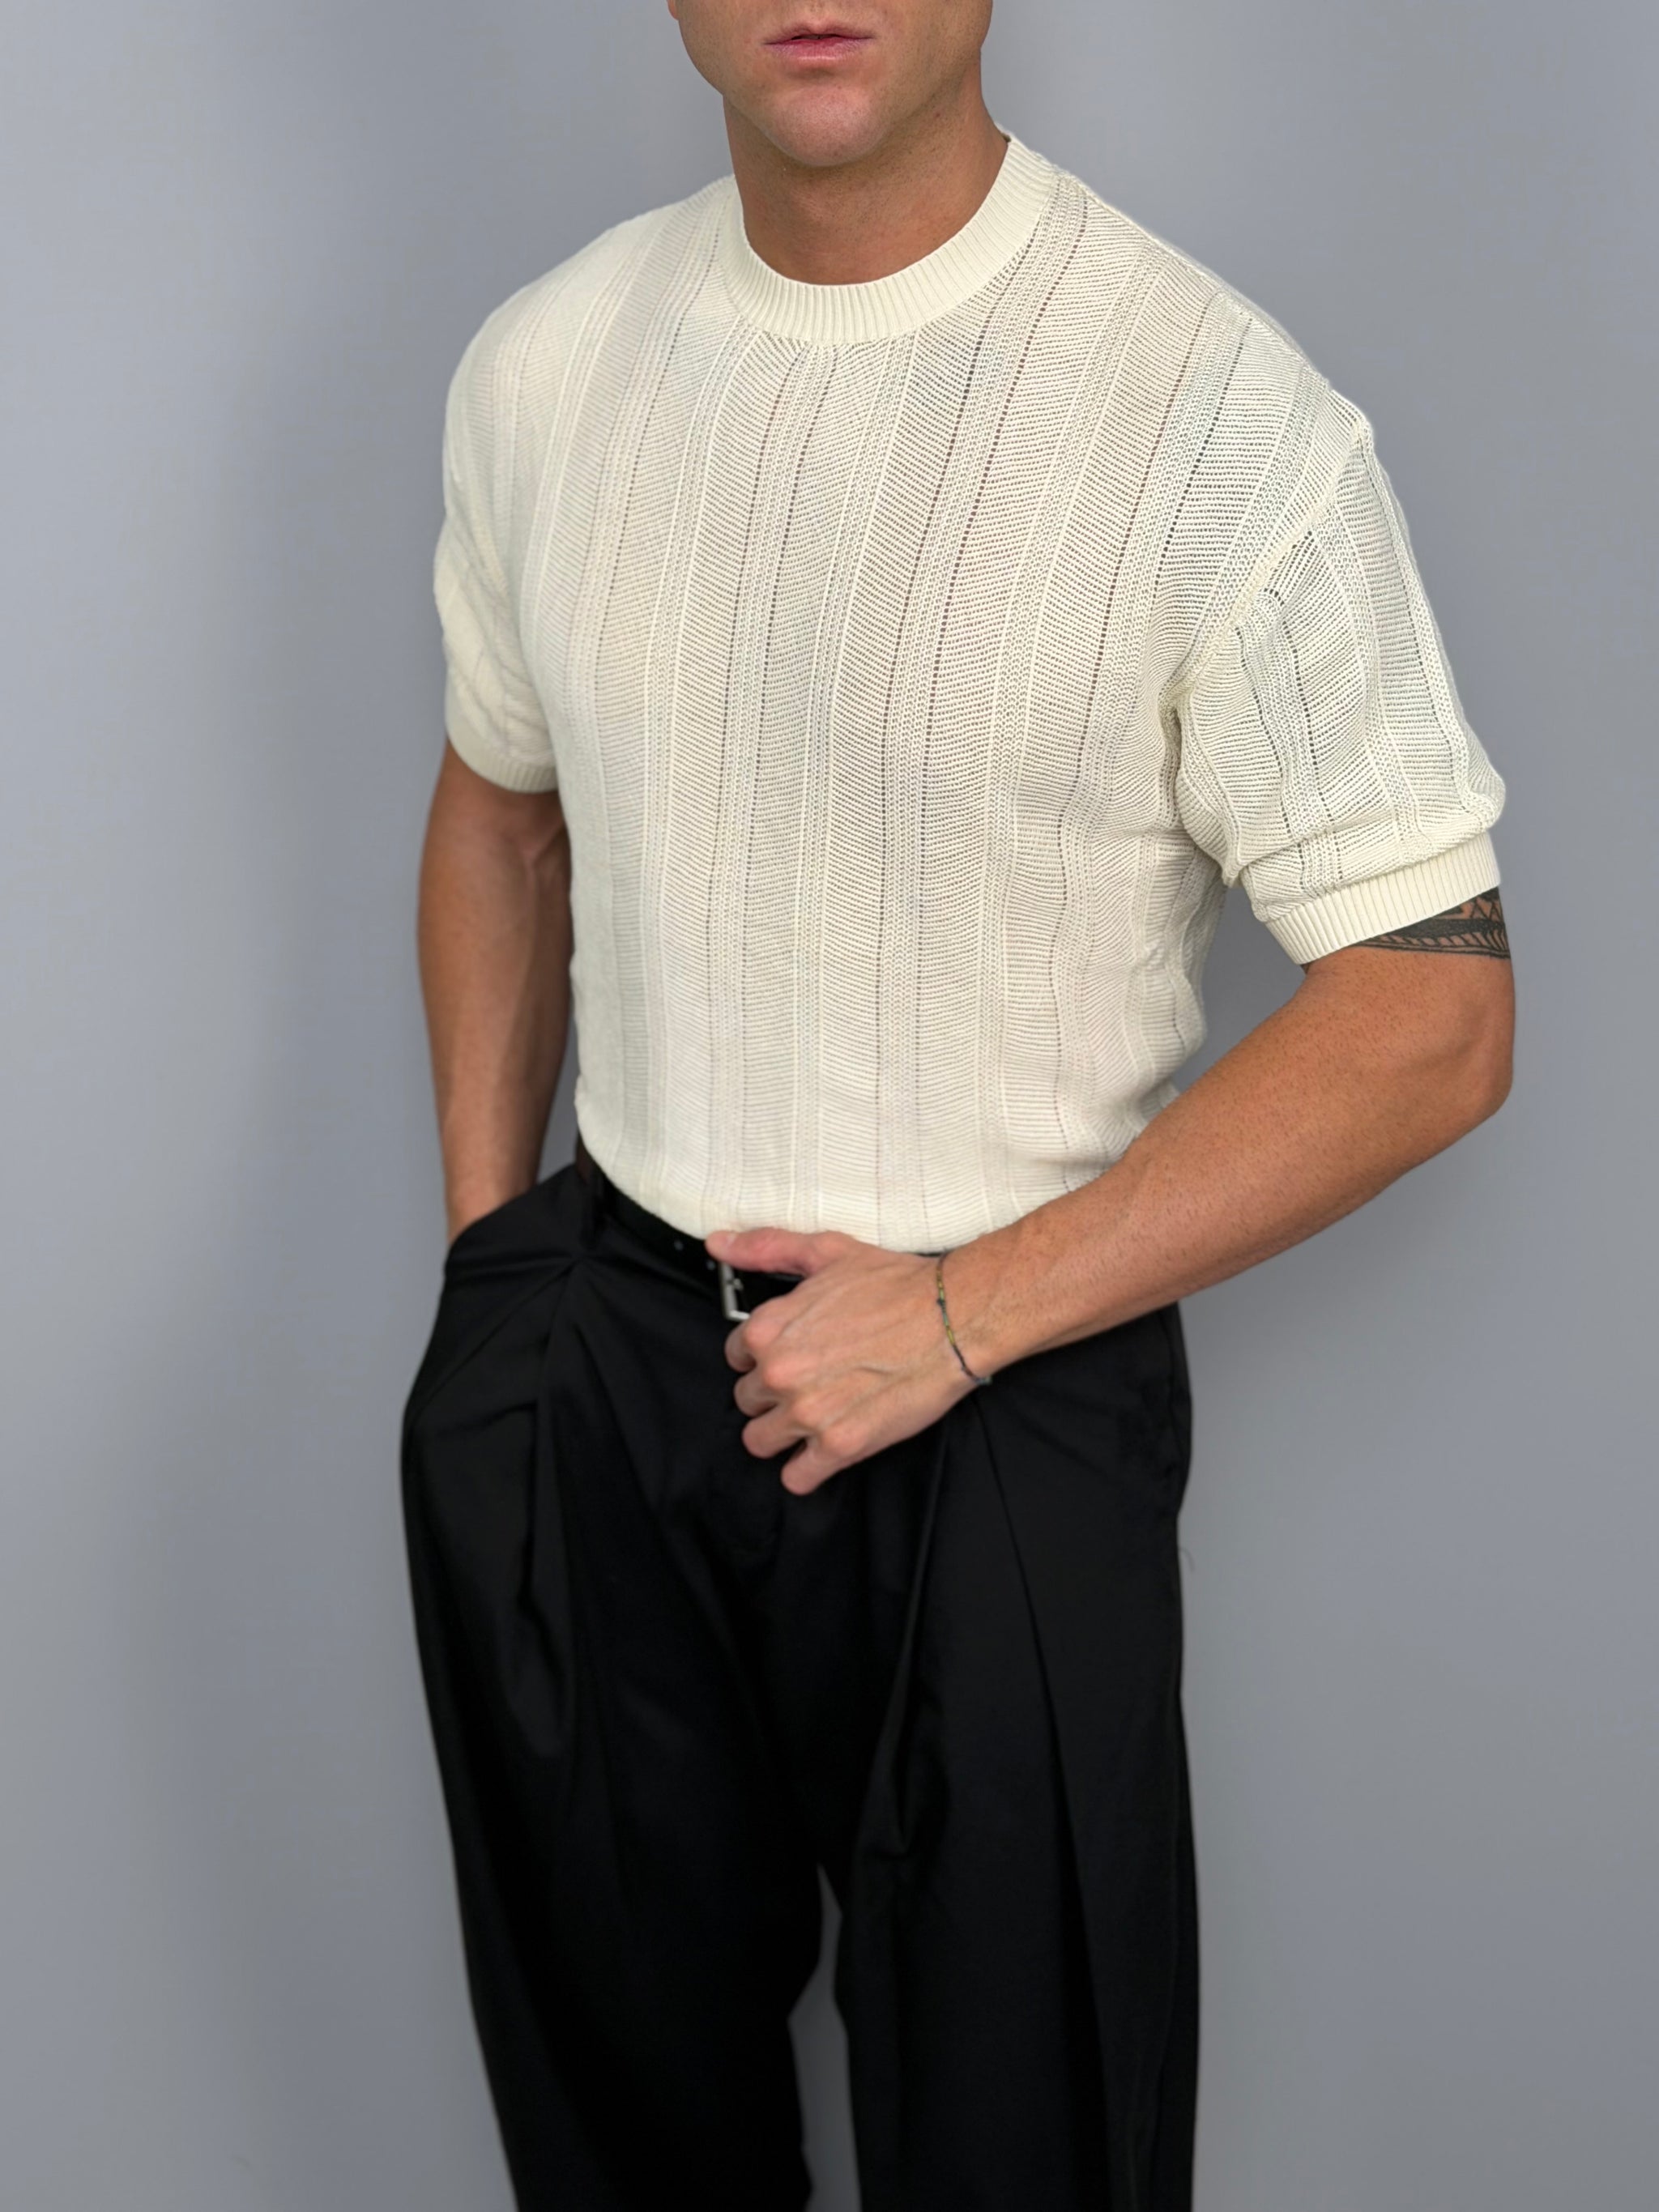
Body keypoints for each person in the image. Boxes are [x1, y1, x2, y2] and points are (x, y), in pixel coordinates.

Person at [399, 6, 1513, 2208]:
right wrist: (495, 1279)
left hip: (1010, 1387)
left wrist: (963, 1311)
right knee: (618, 2153)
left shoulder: (1216, 415)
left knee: (1028, 2157)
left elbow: (1435, 1011)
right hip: (606, 1378)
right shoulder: (544, 365)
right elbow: (499, 805)